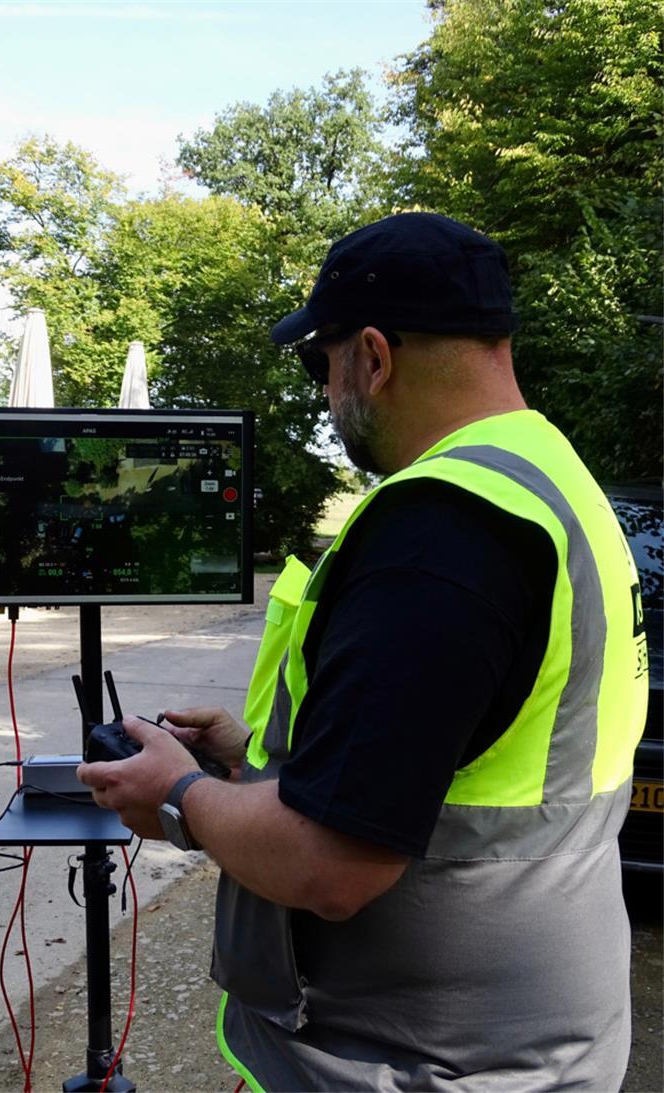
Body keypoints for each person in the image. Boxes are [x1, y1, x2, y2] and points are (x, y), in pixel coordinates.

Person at [78, 212, 648, 1092]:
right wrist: (253, 758)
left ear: (373, 358)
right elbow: (472, 749)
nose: (322, 393)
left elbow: (331, 864)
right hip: (537, 1038)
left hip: (427, 1062)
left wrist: (179, 795)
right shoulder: (554, 480)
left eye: (321, 361)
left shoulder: (439, 532)